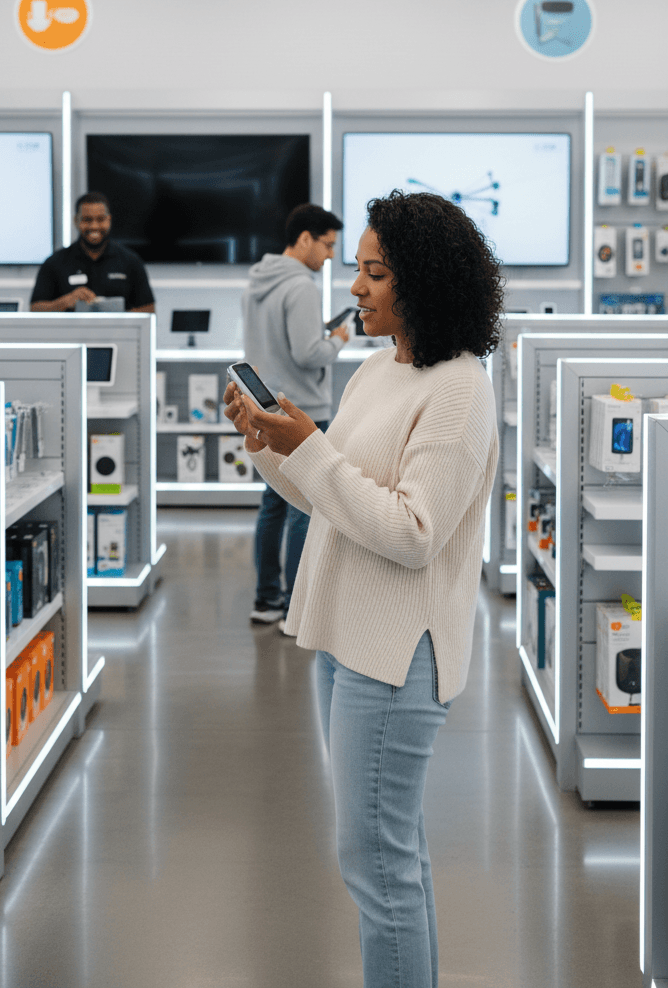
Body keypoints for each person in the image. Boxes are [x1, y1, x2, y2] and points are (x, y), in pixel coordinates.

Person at [225, 190, 501, 988]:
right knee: (389, 858)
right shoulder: (380, 370)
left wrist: (310, 449)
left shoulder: (459, 389)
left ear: (422, 281)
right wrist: (270, 447)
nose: (354, 290)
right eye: (356, 270)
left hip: (395, 657)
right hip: (344, 644)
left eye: (374, 274)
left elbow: (414, 535)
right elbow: (328, 497)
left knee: (378, 870)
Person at [242, 202, 350, 626]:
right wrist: (338, 339)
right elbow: (308, 354)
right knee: (304, 506)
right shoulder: (302, 286)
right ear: (304, 238)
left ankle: (266, 600)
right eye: (326, 246)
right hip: (302, 408)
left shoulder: (256, 282)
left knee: (272, 503)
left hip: (264, 404)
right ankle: (296, 610)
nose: (328, 257)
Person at [30, 192, 155, 313]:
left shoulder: (131, 261)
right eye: (87, 220)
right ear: (76, 221)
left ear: (109, 220)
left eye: (100, 219)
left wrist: (119, 317)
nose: (94, 226)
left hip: (117, 334)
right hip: (70, 334)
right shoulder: (55, 263)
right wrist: (65, 302)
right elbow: (34, 309)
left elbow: (149, 310)